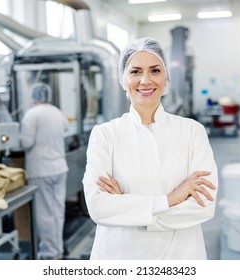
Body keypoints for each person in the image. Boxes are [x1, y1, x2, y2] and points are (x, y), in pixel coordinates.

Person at [82, 38, 218, 260]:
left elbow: (204, 204)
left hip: (180, 256)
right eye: (135, 72)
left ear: (166, 79)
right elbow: (98, 207)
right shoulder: (105, 134)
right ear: (123, 80)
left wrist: (129, 210)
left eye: (155, 70)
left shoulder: (193, 132)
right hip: (120, 255)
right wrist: (171, 198)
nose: (145, 80)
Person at [20, 82, 69, 260]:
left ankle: (49, 254)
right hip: (59, 168)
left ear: (33, 96)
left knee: (45, 214)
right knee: (57, 211)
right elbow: (66, 128)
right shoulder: (56, 111)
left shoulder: (32, 115)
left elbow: (26, 142)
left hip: (42, 170)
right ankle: (58, 250)